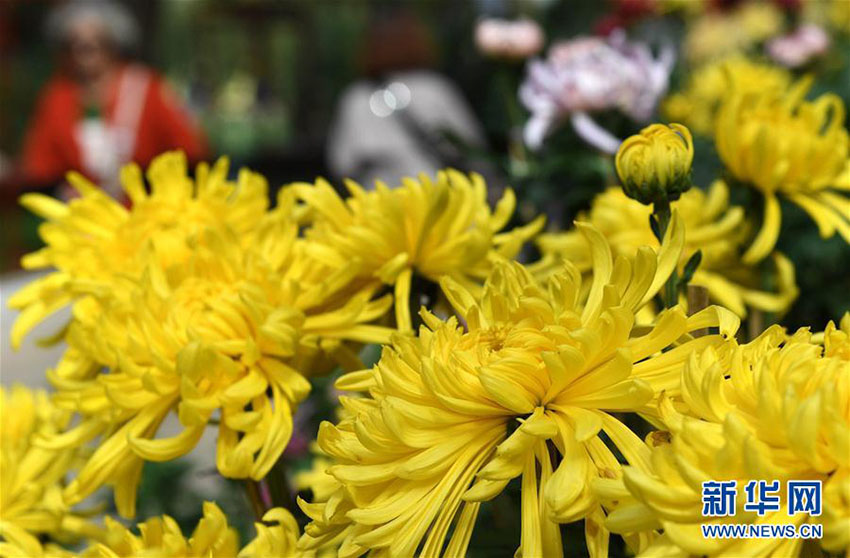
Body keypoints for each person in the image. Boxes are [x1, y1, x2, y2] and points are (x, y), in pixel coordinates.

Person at [17, 0, 207, 197]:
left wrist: (140, 183)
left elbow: (191, 155)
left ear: (114, 44)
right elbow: (38, 168)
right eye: (74, 45)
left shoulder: (147, 88)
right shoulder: (58, 95)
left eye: (96, 44)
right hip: (83, 216)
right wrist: (62, 190)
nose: (84, 54)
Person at [327, 9, 489, 189]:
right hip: (433, 196)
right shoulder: (436, 89)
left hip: (375, 203)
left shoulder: (355, 98)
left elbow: (341, 162)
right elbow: (472, 149)